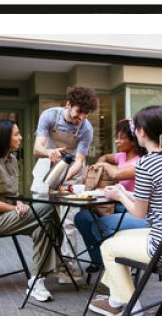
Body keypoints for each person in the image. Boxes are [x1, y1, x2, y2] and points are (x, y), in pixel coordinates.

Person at [89, 105, 162, 316]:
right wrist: (122, 193)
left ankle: (132, 309)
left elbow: (138, 213)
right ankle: (116, 300)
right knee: (120, 235)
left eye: (135, 128)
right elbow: (156, 200)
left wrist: (119, 197)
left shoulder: (146, 164)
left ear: (142, 132)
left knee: (108, 247)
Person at [0, 119, 62, 302]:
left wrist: (18, 203)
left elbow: (14, 193)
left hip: (10, 215)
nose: (20, 137)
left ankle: (36, 281)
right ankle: (59, 251)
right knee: (48, 208)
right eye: (16, 134)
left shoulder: (11, 160)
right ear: (4, 137)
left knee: (43, 227)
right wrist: (15, 208)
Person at [31, 86, 98, 283]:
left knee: (68, 222)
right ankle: (41, 269)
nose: (82, 118)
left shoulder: (86, 128)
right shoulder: (49, 116)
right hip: (46, 168)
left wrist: (65, 176)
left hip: (71, 174)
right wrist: (49, 153)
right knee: (42, 220)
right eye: (79, 112)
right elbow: (37, 148)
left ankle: (68, 268)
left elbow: (79, 160)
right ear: (68, 104)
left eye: (86, 114)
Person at [74, 119, 147, 271]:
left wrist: (104, 166)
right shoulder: (121, 156)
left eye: (121, 137)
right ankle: (99, 260)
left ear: (133, 141)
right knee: (82, 218)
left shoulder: (141, 162)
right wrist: (100, 164)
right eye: (117, 136)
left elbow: (117, 174)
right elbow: (106, 157)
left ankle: (120, 262)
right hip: (114, 204)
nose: (116, 140)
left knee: (98, 225)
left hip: (131, 207)